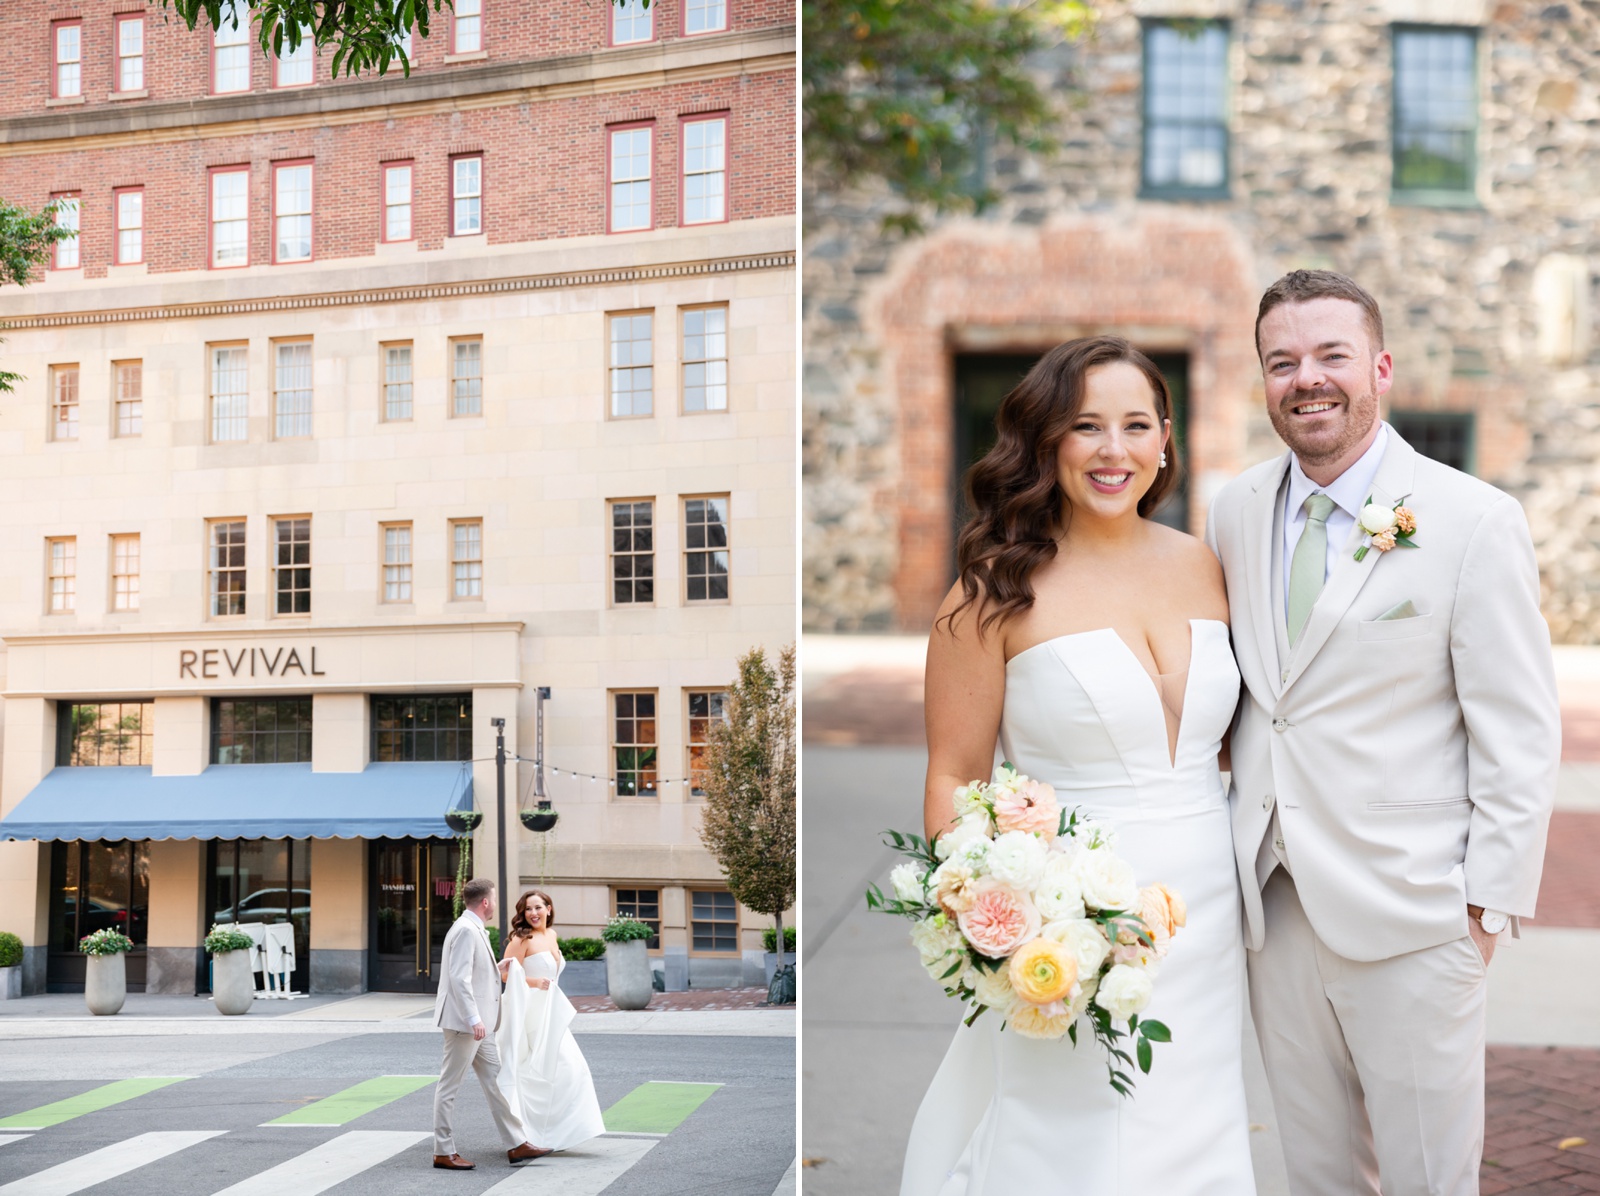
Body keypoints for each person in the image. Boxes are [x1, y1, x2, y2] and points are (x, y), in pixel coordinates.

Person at [1207, 270, 1560, 1195]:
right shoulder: (1235, 511)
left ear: (1381, 367)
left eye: (1331, 355)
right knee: (1318, 1174)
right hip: (1273, 906)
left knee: (1428, 1179)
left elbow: (1519, 731)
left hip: (1416, 909)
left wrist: (1486, 907)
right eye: (1282, 362)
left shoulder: (1473, 520)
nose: (1306, 379)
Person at [901, 336, 1256, 1194]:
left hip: (1208, 916)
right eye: (1085, 426)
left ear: (1165, 438)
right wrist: (1008, 917)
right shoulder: (990, 591)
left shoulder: (1204, 566)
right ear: (1046, 441)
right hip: (1073, 924)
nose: (1113, 450)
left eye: (1136, 425)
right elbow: (953, 777)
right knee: (1071, 1141)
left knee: (1195, 1130)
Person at [431, 876, 551, 1171]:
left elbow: (471, 972)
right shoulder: (466, 931)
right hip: (466, 1024)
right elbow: (458, 979)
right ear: (485, 902)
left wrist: (495, 969)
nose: (495, 904)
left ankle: (516, 1143)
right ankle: (443, 1151)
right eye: (494, 899)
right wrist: (473, 1019)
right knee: (449, 1086)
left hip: (479, 1023)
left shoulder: (472, 928)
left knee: (497, 1080)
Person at [495, 889, 606, 1153]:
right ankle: (528, 1136)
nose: (533, 913)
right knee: (535, 1071)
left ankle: (559, 1133)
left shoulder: (552, 935)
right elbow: (505, 976)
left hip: (550, 1012)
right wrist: (534, 981)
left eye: (537, 908)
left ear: (549, 909)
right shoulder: (521, 938)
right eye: (528, 909)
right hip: (530, 1011)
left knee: (570, 1069)